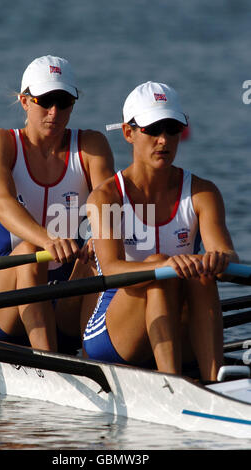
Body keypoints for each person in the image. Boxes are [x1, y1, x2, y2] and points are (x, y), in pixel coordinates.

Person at [83, 81, 239, 382]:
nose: (163, 140)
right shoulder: (106, 196)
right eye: (152, 130)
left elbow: (227, 252)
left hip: (176, 327)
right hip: (113, 334)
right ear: (128, 133)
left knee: (202, 274)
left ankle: (213, 383)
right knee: (160, 269)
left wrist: (221, 260)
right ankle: (173, 385)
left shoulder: (203, 192)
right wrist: (160, 265)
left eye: (171, 129)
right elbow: (112, 270)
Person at [0, 54, 114, 352]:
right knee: (31, 252)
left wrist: (101, 234)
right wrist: (48, 240)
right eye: (45, 101)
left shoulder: (91, 145)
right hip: (1, 303)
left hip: (66, 296)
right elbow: (3, 206)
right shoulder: (0, 143)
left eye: (64, 102)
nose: (54, 112)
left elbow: (108, 203)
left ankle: (100, 355)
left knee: (102, 252)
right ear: (24, 101)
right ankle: (51, 364)